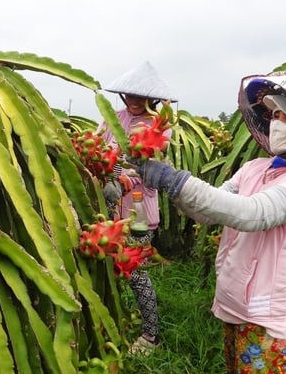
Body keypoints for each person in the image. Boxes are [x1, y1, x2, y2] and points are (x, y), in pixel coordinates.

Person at [130, 70, 286, 372]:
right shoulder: (255, 167)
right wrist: (169, 181)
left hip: (269, 315)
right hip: (236, 302)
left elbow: (251, 213)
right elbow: (208, 210)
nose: (275, 123)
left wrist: (176, 181)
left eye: (285, 117)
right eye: (274, 115)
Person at [97, 61, 178, 356]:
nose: (133, 100)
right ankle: (108, 319)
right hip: (106, 208)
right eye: (129, 94)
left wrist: (125, 179)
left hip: (140, 213)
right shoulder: (111, 118)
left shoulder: (159, 128)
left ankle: (150, 335)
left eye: (140, 95)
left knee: (135, 271)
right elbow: (98, 151)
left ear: (152, 99)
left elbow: (155, 169)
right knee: (104, 267)